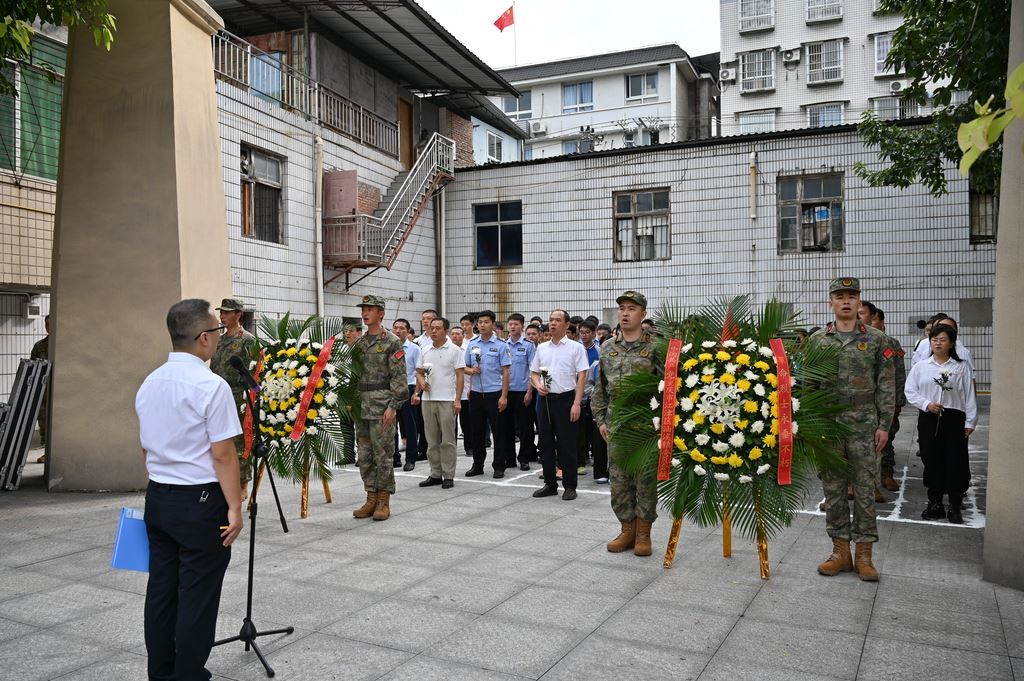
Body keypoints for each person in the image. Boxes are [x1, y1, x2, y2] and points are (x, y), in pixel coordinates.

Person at [135, 299, 243, 681]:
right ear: (202, 338)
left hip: (159, 497)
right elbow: (224, 455)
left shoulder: (151, 381)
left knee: (162, 592)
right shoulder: (211, 386)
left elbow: (147, 445)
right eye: (216, 331)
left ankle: (161, 673)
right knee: (197, 597)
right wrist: (235, 507)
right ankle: (188, 674)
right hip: (200, 502)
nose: (218, 338)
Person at [811, 278, 895, 582]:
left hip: (864, 424)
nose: (846, 301)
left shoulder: (875, 340)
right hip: (830, 425)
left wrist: (884, 425)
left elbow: (886, 385)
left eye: (851, 297)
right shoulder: (819, 340)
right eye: (839, 296)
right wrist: (813, 426)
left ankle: (864, 556)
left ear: (859, 303)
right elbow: (809, 387)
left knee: (864, 492)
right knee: (833, 490)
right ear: (830, 303)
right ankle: (839, 552)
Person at [591, 292, 660, 555]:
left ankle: (643, 534)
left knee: (645, 481)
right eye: (622, 308)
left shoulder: (656, 347)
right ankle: (626, 529)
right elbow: (601, 388)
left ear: (643, 313)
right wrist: (600, 420)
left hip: (646, 426)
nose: (625, 313)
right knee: (619, 483)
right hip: (617, 426)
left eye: (632, 308)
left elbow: (667, 388)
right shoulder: (608, 347)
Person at [905, 324, 977, 524]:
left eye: (942, 339)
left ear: (952, 343)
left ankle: (954, 505)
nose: (937, 343)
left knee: (956, 460)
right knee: (932, 458)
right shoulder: (921, 367)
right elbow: (910, 391)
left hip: (954, 419)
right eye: (934, 339)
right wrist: (927, 404)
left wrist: (970, 421)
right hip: (929, 418)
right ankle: (934, 503)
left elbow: (969, 396)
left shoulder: (960, 367)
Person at [351, 295, 409, 522]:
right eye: (363, 309)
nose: (365, 313)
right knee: (364, 455)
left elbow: (399, 378)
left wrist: (393, 406)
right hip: (362, 406)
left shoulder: (392, 342)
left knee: (383, 454)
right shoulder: (360, 342)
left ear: (381, 313)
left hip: (382, 405)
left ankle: (383, 500)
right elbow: (354, 375)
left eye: (370, 309)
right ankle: (371, 497)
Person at [530, 309, 589, 501]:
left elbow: (582, 376)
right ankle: (550, 483)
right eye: (551, 320)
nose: (553, 323)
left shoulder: (575, 348)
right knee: (545, 443)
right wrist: (538, 386)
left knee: (567, 444)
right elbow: (534, 373)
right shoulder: (542, 347)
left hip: (566, 399)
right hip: (545, 400)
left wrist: (576, 403)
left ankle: (570, 485)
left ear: (566, 324)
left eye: (557, 320)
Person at [209, 298, 258, 499]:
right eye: (222, 312)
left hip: (237, 397)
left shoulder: (247, 340)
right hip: (216, 398)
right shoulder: (218, 339)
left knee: (239, 442)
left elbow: (252, 371)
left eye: (227, 312)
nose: (223, 316)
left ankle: (242, 483)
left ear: (238, 314)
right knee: (219, 440)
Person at [413, 317, 465, 489]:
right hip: (428, 400)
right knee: (431, 440)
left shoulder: (454, 350)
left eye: (437, 328)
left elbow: (460, 376)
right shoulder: (425, 350)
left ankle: (448, 475)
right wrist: (421, 382)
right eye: (431, 328)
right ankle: (435, 473)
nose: (433, 331)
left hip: (447, 400)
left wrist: (457, 400)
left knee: (448, 440)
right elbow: (418, 372)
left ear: (446, 331)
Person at [464, 310, 511, 478]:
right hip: (476, 394)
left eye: (486, 322)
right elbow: (465, 368)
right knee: (476, 431)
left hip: (494, 393)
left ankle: (499, 465)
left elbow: (506, 372)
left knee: (498, 431)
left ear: (492, 324)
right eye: (480, 322)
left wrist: (504, 396)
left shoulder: (501, 345)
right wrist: (472, 370)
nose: (482, 325)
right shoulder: (472, 344)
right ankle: (477, 464)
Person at [505, 313, 537, 470]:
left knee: (525, 427)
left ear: (522, 326)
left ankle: (524, 457)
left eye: (516, 324)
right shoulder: (503, 345)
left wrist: (530, 391)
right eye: (510, 324)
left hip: (523, 391)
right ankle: (509, 458)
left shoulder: (529, 345)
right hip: (506, 392)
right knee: (507, 426)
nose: (512, 327)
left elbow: (533, 370)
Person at [391, 319, 421, 471]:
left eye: (402, 328)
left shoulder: (414, 349)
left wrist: (417, 393)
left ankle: (411, 458)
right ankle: (395, 457)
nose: (398, 331)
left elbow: (419, 372)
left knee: (410, 425)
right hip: (390, 390)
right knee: (390, 424)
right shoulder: (388, 347)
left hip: (408, 388)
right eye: (395, 328)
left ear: (408, 331)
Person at [30, 314, 50, 463]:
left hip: (60, 391)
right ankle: (46, 451)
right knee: (43, 422)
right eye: (47, 324)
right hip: (43, 391)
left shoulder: (65, 345)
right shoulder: (39, 346)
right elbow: (33, 368)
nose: (49, 327)